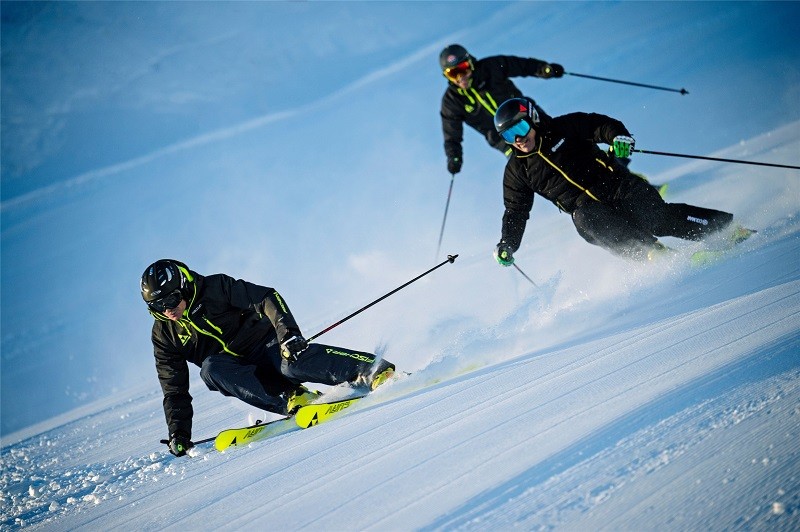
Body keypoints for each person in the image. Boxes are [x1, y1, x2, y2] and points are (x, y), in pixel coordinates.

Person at [141, 259, 395, 457]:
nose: (167, 310)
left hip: (268, 344)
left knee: (292, 365)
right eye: (158, 307)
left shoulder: (215, 287)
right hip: (242, 371)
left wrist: (289, 335)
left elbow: (265, 297)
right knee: (210, 370)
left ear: (183, 287)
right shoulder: (165, 334)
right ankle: (293, 397)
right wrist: (179, 433)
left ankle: (373, 371)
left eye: (172, 300)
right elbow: (173, 389)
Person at [490, 98, 752, 264]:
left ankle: (727, 230)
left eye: (520, 129)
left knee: (658, 218)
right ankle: (655, 256)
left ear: (532, 120)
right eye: (509, 135)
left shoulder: (563, 128)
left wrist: (618, 138)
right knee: (584, 219)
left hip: (617, 186)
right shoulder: (517, 170)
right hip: (592, 213)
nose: (518, 140)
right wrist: (508, 243)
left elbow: (599, 125)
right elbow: (515, 211)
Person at [438, 43, 563, 175]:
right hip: (504, 139)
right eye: (453, 73)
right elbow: (451, 134)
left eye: (463, 68)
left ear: (471, 63)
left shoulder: (490, 67)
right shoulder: (451, 102)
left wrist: (543, 69)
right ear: (447, 76)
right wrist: (454, 157)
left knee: (557, 141)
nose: (460, 77)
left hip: (527, 117)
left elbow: (520, 65)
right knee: (531, 170)